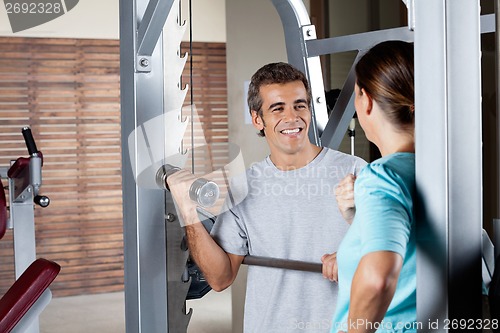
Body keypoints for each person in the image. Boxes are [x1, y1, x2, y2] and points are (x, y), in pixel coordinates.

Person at [167, 62, 366, 332]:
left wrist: (354, 256)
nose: (292, 117)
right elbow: (220, 277)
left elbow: (397, 249)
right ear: (257, 118)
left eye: (300, 105)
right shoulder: (243, 188)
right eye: (277, 108)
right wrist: (187, 210)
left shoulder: (355, 171)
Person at [324, 40, 417, 333]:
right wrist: (356, 217)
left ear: (365, 101)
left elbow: (379, 278)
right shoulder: (443, 170)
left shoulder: (382, 176)